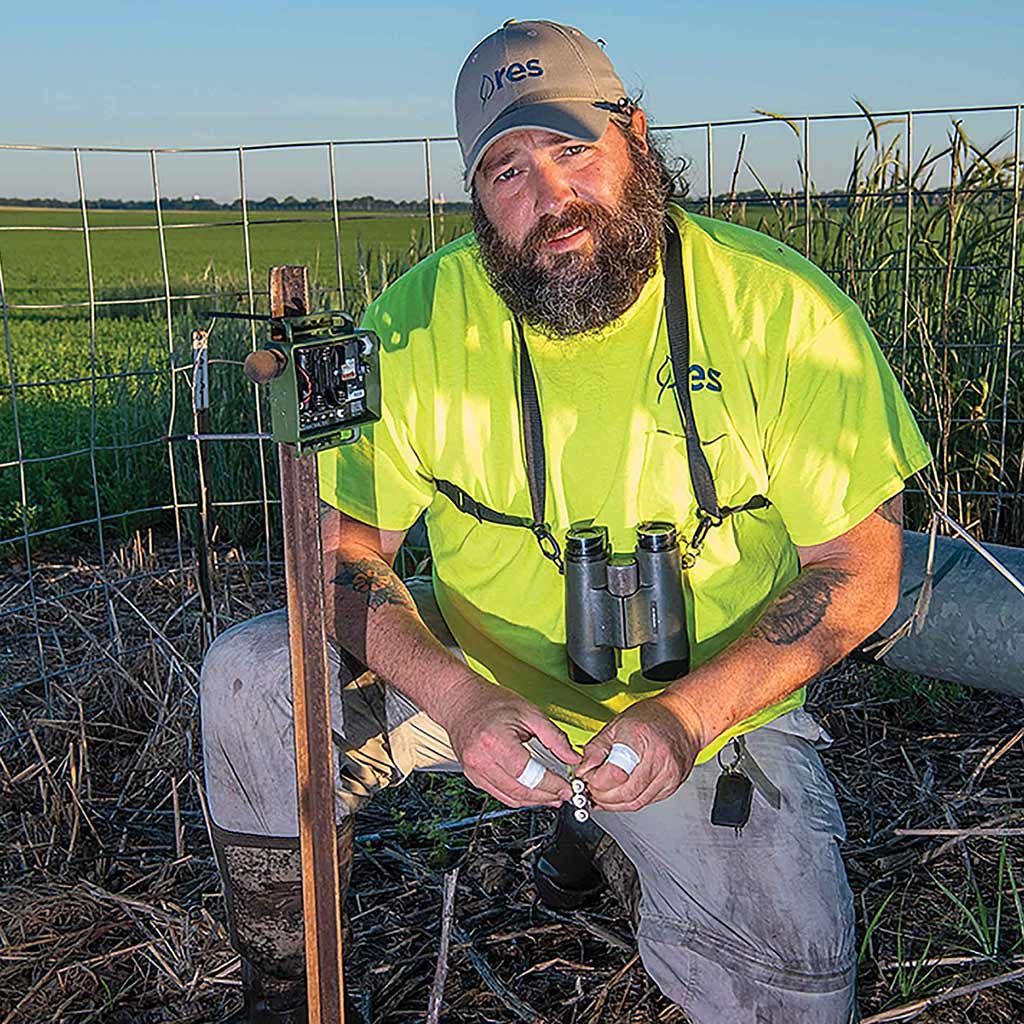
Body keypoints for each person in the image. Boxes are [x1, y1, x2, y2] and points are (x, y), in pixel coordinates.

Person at [200, 18, 932, 1024]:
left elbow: (858, 567)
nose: (548, 200)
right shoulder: (416, 324)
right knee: (251, 679)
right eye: (506, 171)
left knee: (793, 995)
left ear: (635, 134)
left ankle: (613, 837)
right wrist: (460, 698)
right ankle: (283, 986)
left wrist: (684, 718)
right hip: (481, 684)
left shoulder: (783, 314)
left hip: (708, 711)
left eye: (572, 150)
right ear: (475, 197)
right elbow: (335, 550)